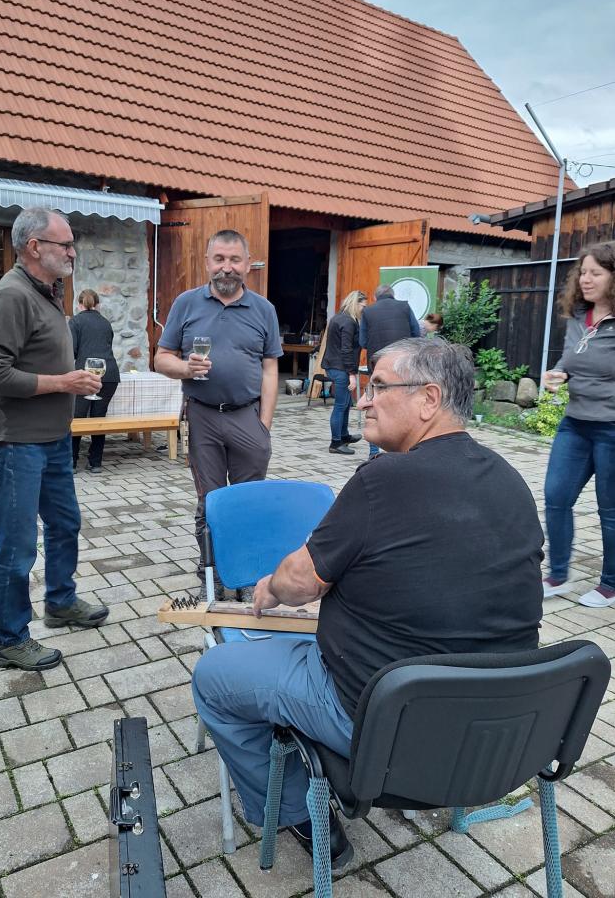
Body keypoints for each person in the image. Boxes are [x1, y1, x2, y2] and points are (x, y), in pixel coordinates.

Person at [192, 337, 543, 866]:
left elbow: (300, 581)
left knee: (215, 676)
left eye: (378, 386)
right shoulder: (511, 480)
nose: (362, 400)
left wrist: (268, 588)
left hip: (386, 723)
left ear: (429, 399)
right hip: (497, 733)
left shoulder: (382, 479)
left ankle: (301, 815)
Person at [0, 207, 109, 672]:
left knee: (65, 524)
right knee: (16, 546)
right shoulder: (11, 295)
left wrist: (69, 382)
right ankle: (8, 639)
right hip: (18, 442)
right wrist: (63, 383)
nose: (72, 252)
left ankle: (60, 601)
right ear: (34, 246)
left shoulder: (48, 293)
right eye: (65, 244)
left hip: (52, 438)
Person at [154, 229, 283, 601]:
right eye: (220, 259)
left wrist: (264, 424)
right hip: (204, 417)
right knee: (210, 502)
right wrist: (184, 368)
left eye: (235, 260)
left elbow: (270, 369)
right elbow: (161, 358)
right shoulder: (186, 304)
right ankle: (211, 572)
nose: (227, 267)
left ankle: (245, 572)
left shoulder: (264, 310)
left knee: (248, 501)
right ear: (207, 262)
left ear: (247, 264)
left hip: (247, 417)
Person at [540, 240, 615, 608]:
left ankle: (610, 584)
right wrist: (560, 374)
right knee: (556, 497)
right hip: (575, 424)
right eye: (582, 272)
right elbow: (572, 360)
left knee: (610, 511)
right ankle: (557, 575)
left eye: (595, 273)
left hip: (611, 429)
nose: (585, 279)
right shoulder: (578, 316)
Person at [359, 283, 421, 458]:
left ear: (375, 297)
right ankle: (404, 447)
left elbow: (363, 342)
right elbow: (417, 334)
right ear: (393, 295)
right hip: (403, 366)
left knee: (374, 403)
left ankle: (373, 452)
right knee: (404, 403)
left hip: (377, 366)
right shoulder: (405, 307)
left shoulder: (368, 311)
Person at [69, 288, 120, 473]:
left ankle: (72, 462)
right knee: (99, 418)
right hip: (109, 375)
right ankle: (95, 462)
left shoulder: (75, 321)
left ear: (79, 305)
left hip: (85, 375)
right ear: (98, 304)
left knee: (77, 418)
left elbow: (72, 350)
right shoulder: (105, 323)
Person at [321, 290, 366, 455]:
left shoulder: (338, 317)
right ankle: (335, 443)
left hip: (334, 365)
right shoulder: (348, 322)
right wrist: (352, 374)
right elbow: (346, 349)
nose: (364, 309)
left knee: (346, 403)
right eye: (363, 306)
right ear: (355, 303)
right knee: (340, 405)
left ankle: (344, 435)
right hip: (341, 368)